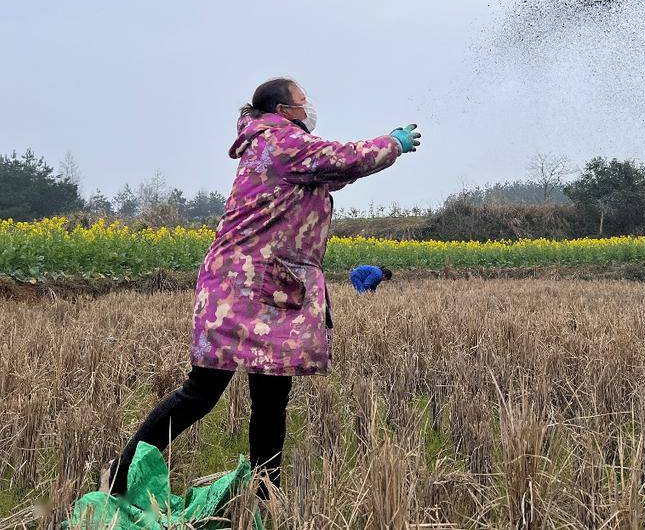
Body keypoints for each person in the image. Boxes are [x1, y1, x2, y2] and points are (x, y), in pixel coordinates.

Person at [104, 78, 421, 496]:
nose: (310, 107)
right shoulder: (279, 142)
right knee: (202, 392)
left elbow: (336, 173)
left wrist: (380, 154)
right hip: (238, 290)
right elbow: (347, 159)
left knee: (272, 396)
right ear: (284, 110)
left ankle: (265, 496)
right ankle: (120, 476)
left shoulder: (282, 149)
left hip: (270, 292)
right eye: (304, 101)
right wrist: (392, 143)